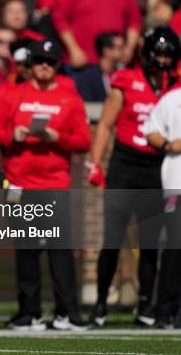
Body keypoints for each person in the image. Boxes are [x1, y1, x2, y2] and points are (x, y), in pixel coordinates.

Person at [0, 39, 91, 331]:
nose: (44, 66)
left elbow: (83, 141)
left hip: (55, 182)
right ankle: (29, 314)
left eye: (50, 61)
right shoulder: (11, 95)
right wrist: (13, 134)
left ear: (58, 65)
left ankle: (67, 314)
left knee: (60, 251)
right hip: (19, 183)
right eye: (39, 61)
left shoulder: (70, 99)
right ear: (30, 65)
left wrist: (58, 138)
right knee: (27, 250)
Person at [86, 27, 179, 328]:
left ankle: (145, 305)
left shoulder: (175, 85)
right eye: (160, 53)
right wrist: (96, 161)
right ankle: (101, 303)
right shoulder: (126, 79)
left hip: (157, 166)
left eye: (169, 54)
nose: (164, 60)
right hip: (126, 165)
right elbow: (105, 125)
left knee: (150, 242)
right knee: (112, 239)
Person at [144, 30, 181, 328]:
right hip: (176, 181)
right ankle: (165, 310)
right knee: (174, 248)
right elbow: (151, 130)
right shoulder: (172, 99)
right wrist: (169, 145)